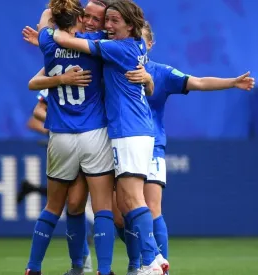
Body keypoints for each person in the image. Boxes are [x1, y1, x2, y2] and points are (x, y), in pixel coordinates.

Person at [121, 21, 255, 275]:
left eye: (141, 38)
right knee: (122, 214)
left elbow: (200, 82)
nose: (135, 42)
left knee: (152, 207)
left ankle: (160, 266)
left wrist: (232, 82)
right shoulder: (113, 67)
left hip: (151, 145)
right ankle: (139, 262)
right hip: (117, 144)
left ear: (149, 44)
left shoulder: (162, 73)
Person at [52, 1, 166, 274]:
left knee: (132, 199)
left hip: (129, 130)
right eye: (108, 21)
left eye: (114, 21)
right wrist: (148, 81)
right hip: (131, 130)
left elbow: (71, 41)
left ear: (130, 24)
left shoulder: (118, 48)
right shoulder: (132, 45)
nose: (108, 26)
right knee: (127, 201)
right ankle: (151, 259)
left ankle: (152, 259)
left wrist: (49, 29)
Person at [24, 1, 116, 274]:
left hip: (60, 135)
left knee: (54, 207)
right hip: (93, 134)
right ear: (77, 18)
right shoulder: (94, 43)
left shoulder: (48, 44)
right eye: (84, 16)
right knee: (102, 209)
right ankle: (104, 269)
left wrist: (50, 10)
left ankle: (33, 267)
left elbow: (44, 25)